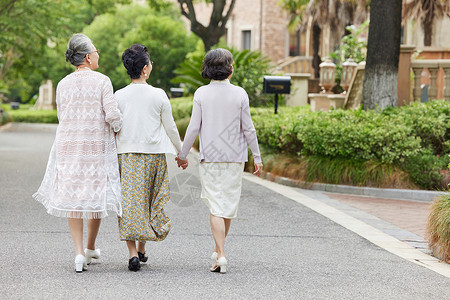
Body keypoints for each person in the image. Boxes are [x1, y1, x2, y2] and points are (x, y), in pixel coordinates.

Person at [32, 33, 123, 273]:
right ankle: (91, 246)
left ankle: (80, 253)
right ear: (88, 57)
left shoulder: (63, 84)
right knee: (95, 194)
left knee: (74, 197)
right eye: (96, 50)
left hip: (69, 145)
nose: (98, 54)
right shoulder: (103, 81)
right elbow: (112, 115)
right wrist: (119, 129)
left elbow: (62, 116)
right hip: (94, 147)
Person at [176, 48, 263, 274]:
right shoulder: (240, 94)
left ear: (207, 69)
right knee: (227, 205)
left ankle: (221, 254)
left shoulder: (201, 94)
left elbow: (194, 127)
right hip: (235, 158)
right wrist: (258, 157)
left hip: (210, 158)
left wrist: (183, 155)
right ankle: (219, 250)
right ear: (229, 69)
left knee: (216, 205)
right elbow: (249, 129)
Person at [115, 44, 182, 272]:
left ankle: (133, 253)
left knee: (129, 204)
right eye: (150, 63)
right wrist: (181, 153)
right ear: (145, 69)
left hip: (127, 157)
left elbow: (113, 128)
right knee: (148, 202)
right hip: (153, 156)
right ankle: (142, 248)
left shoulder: (119, 96)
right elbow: (171, 127)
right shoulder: (158, 94)